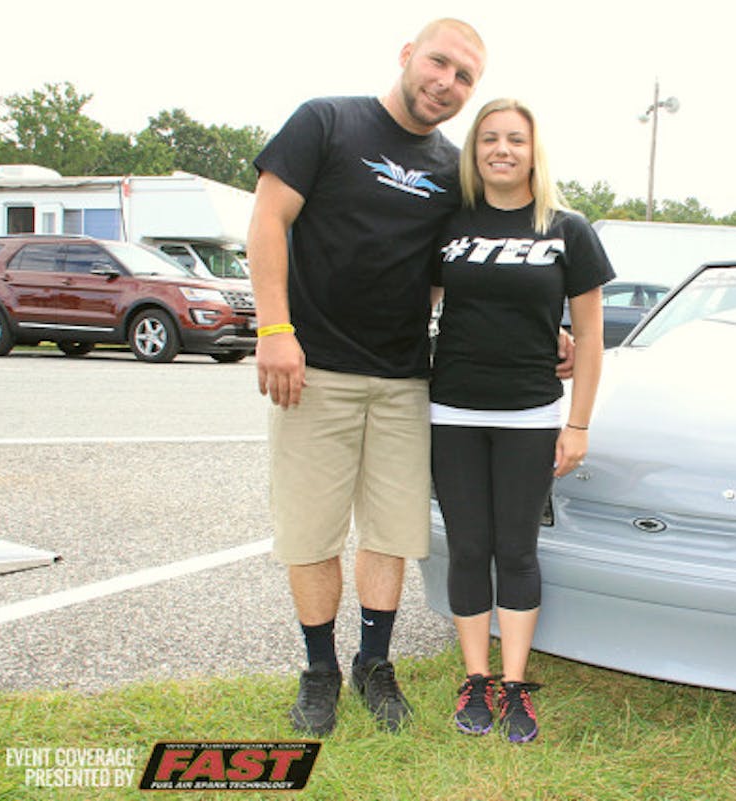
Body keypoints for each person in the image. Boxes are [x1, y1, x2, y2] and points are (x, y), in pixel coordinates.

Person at [245, 19, 488, 737]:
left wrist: (552, 333)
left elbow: (468, 272)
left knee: (389, 532)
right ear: (409, 55)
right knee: (312, 532)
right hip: (310, 370)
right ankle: (319, 669)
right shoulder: (327, 121)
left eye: (466, 77)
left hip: (406, 380)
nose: (447, 82)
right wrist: (274, 328)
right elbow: (266, 218)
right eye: (440, 62)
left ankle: (372, 664)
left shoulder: (453, 169)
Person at [429, 98, 615, 743]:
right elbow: (413, 303)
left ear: (535, 151)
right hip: (450, 409)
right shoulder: (448, 224)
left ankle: (513, 685)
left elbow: (589, 337)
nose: (501, 149)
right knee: (468, 546)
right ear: (473, 150)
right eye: (488, 139)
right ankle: (474, 678)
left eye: (514, 139)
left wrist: (579, 423)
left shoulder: (568, 228)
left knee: (516, 549)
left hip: (530, 415)